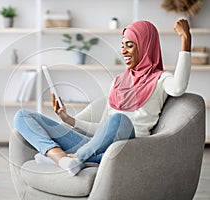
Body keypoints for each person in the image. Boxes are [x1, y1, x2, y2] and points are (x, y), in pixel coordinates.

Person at [13, 19, 191, 176]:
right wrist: (68, 119)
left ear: (146, 45)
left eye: (130, 45)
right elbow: (103, 130)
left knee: (119, 120)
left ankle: (77, 157)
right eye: (122, 46)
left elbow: (179, 87)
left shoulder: (161, 79)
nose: (124, 51)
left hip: (127, 148)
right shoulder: (118, 81)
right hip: (96, 145)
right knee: (22, 116)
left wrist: (185, 40)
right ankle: (63, 160)